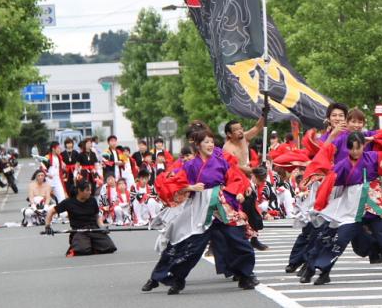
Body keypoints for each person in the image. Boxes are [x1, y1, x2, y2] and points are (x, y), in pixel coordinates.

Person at [144, 123, 257, 294]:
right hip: (199, 209)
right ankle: (177, 278)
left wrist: (238, 191)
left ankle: (246, 275)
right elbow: (170, 183)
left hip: (221, 204)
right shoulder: (189, 165)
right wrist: (191, 188)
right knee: (191, 247)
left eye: (212, 141)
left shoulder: (220, 159)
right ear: (196, 144)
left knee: (237, 240)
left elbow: (235, 177)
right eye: (206, 142)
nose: (210, 145)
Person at [304, 132, 382, 285]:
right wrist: (319, 200)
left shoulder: (372, 157)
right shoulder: (342, 165)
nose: (355, 152)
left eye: (358, 148)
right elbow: (329, 182)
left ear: (363, 146)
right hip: (351, 207)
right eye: (351, 149)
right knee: (339, 238)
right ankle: (324, 271)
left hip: (374, 204)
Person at [44, 180, 116, 256]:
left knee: (110, 247)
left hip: (94, 229)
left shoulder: (92, 200)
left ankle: (91, 244)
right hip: (79, 230)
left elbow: (97, 216)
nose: (90, 192)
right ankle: (81, 245)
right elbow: (51, 211)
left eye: (90, 190)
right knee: (82, 250)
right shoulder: (69, 202)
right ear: (79, 191)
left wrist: (102, 226)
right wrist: (47, 226)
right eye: (87, 190)